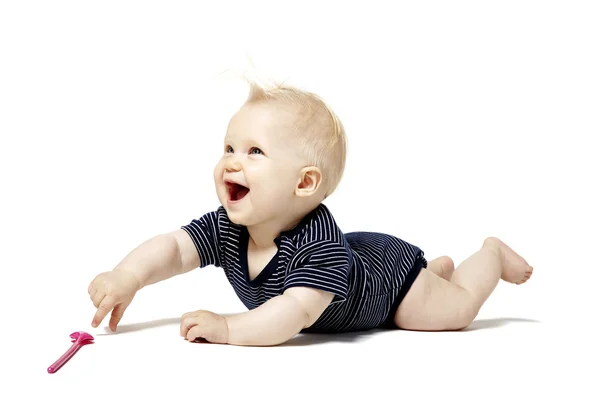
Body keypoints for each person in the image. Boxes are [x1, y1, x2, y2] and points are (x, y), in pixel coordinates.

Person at [87, 78, 534, 346]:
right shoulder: (229, 225)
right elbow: (173, 248)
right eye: (228, 147)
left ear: (304, 183)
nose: (231, 161)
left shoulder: (318, 246)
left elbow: (294, 313)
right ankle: (435, 271)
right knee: (431, 291)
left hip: (387, 283)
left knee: (445, 315)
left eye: (254, 151)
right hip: (361, 256)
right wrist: (128, 276)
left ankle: (488, 256)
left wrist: (229, 328)